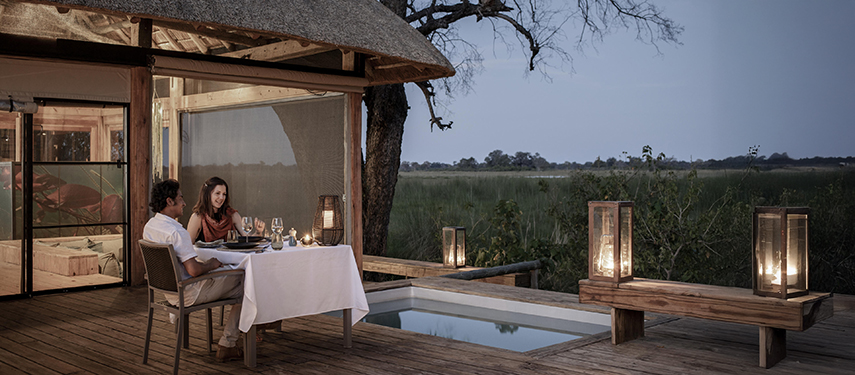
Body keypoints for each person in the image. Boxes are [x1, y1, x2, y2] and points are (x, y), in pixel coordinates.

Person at [143, 179, 244, 362]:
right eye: (180, 198)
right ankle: (228, 343)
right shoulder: (177, 232)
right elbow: (195, 270)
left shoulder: (150, 226)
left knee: (236, 277)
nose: (184, 203)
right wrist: (211, 265)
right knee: (245, 281)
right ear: (169, 201)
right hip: (189, 291)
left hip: (167, 291)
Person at [187, 176, 264, 243]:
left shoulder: (232, 215)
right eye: (217, 193)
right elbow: (188, 245)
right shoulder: (198, 217)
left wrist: (258, 232)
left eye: (224, 194)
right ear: (207, 195)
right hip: (207, 259)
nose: (221, 198)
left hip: (230, 258)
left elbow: (247, 238)